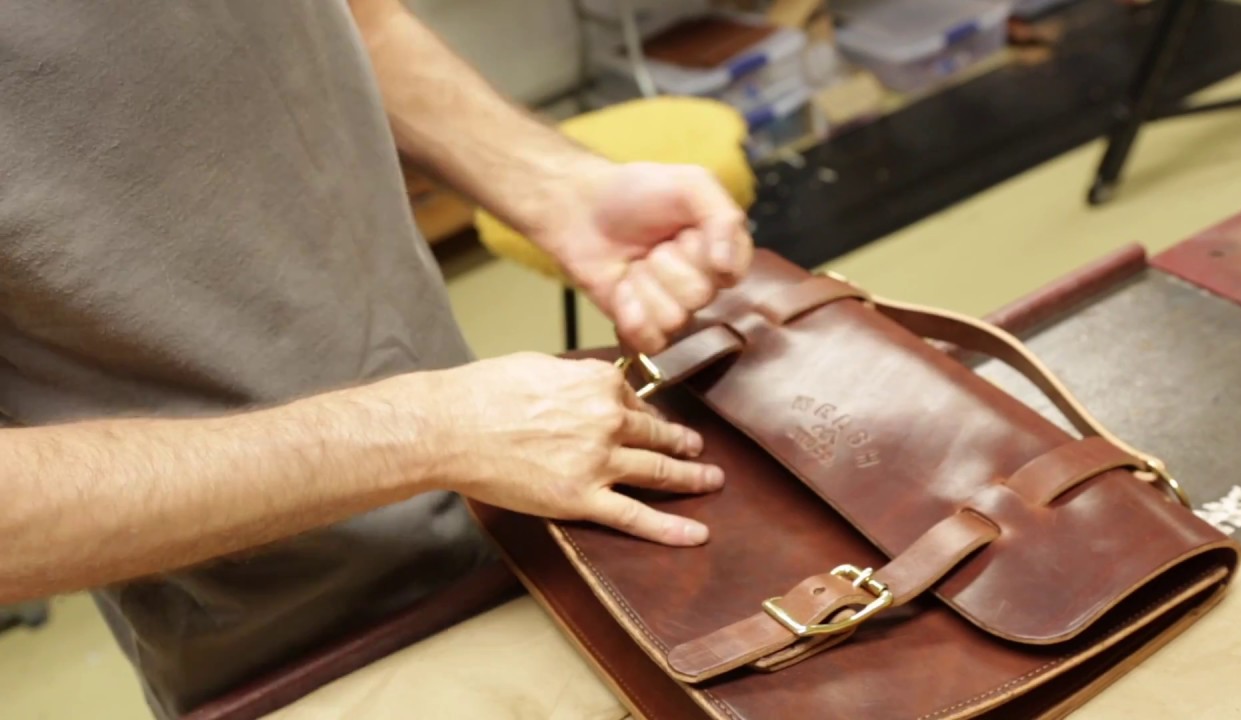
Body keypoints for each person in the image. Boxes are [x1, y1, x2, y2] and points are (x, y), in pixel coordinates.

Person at [0, 1, 754, 717]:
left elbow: (356, 23)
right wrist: (424, 434)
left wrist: (556, 188)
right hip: (318, 649)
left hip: (522, 534)